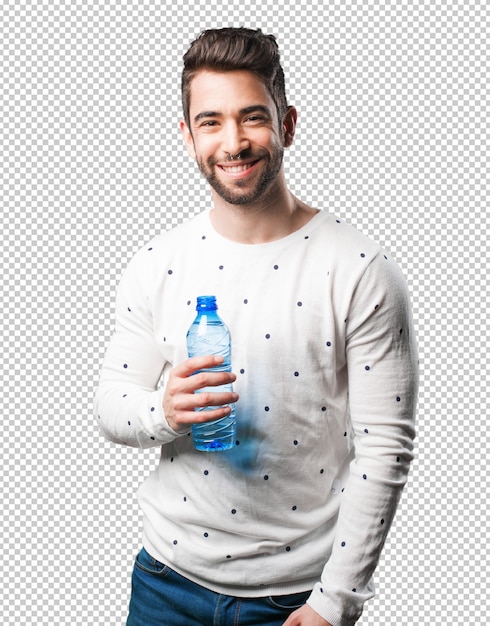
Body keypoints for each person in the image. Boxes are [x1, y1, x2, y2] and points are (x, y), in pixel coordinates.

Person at [94, 27, 419, 626]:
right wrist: (163, 413)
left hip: (295, 600)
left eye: (252, 118)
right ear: (188, 135)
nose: (234, 142)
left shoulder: (360, 269)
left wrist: (336, 603)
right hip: (165, 584)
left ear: (288, 124)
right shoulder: (156, 263)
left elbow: (385, 448)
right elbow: (112, 405)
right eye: (211, 121)